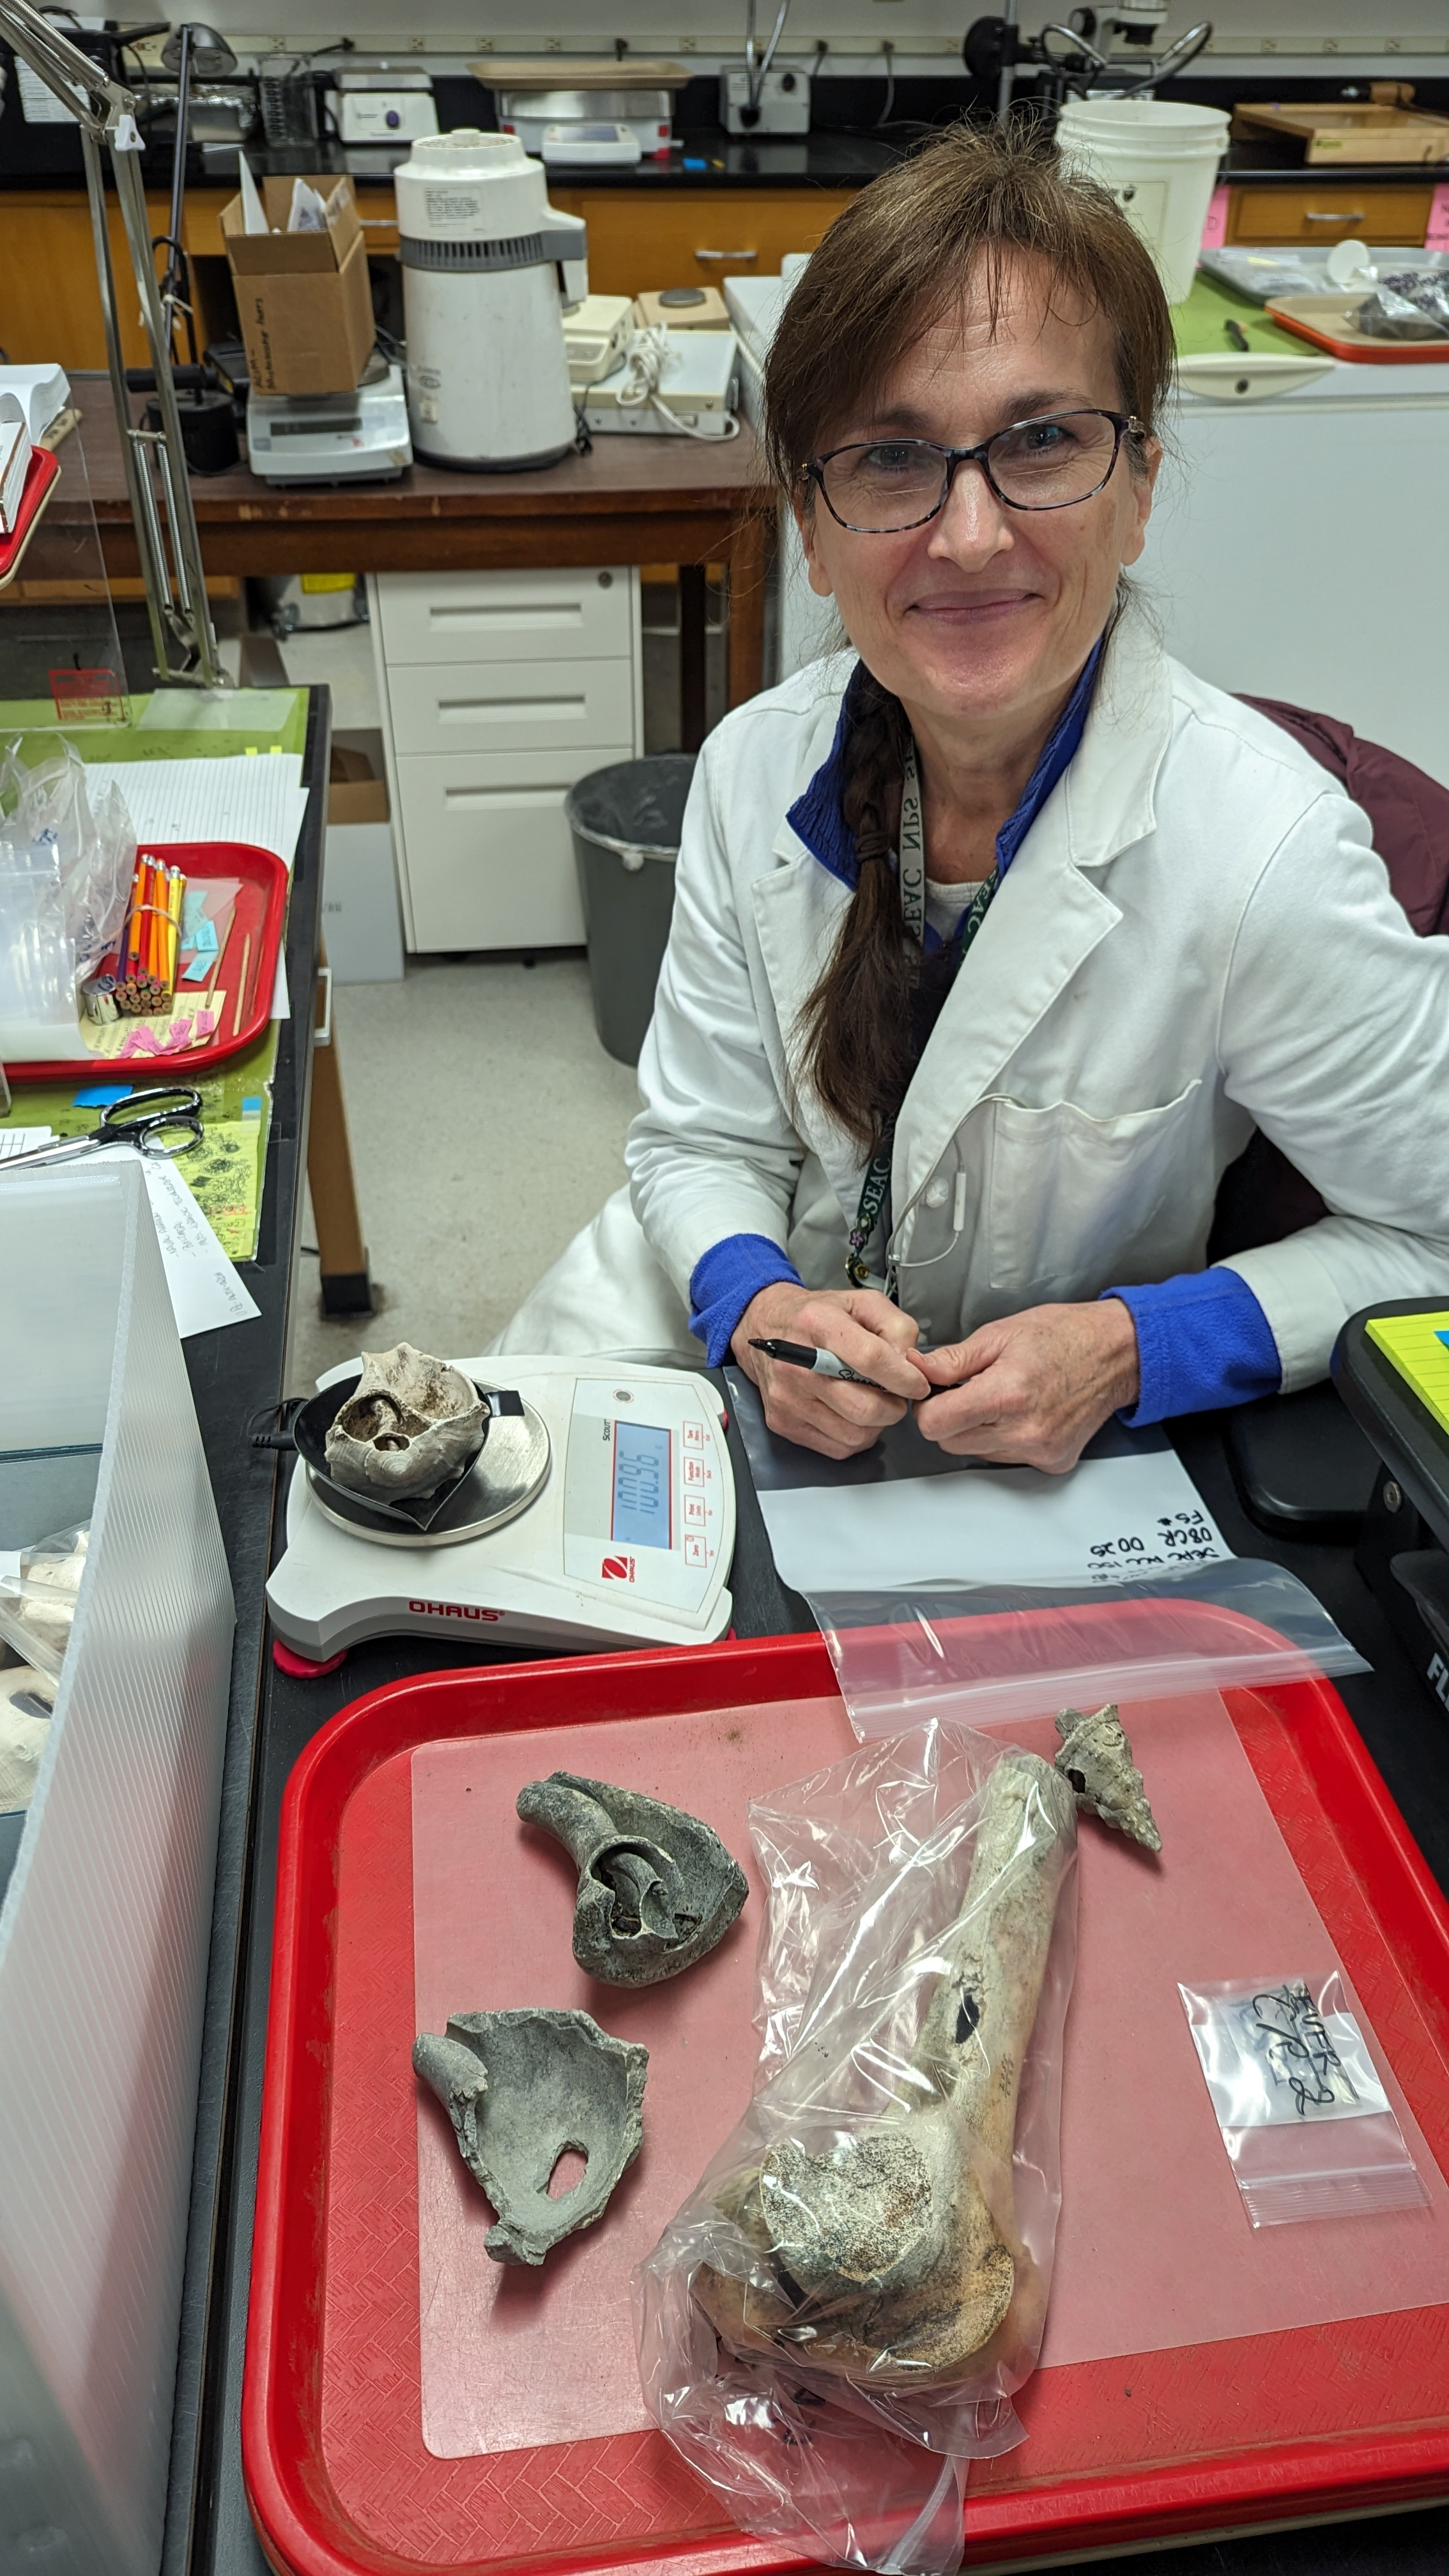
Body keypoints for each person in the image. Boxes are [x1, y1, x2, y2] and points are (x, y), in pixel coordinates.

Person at [495, 123, 1449, 1465]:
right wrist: (753, 1300)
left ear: (1138, 492)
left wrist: (1141, 1345)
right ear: (812, 532)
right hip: (749, 1328)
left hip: (1046, 1431)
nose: (969, 533)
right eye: (892, 459)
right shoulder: (753, 771)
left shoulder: (1263, 854)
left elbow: (1434, 1231)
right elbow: (700, 1140)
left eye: (1043, 441)